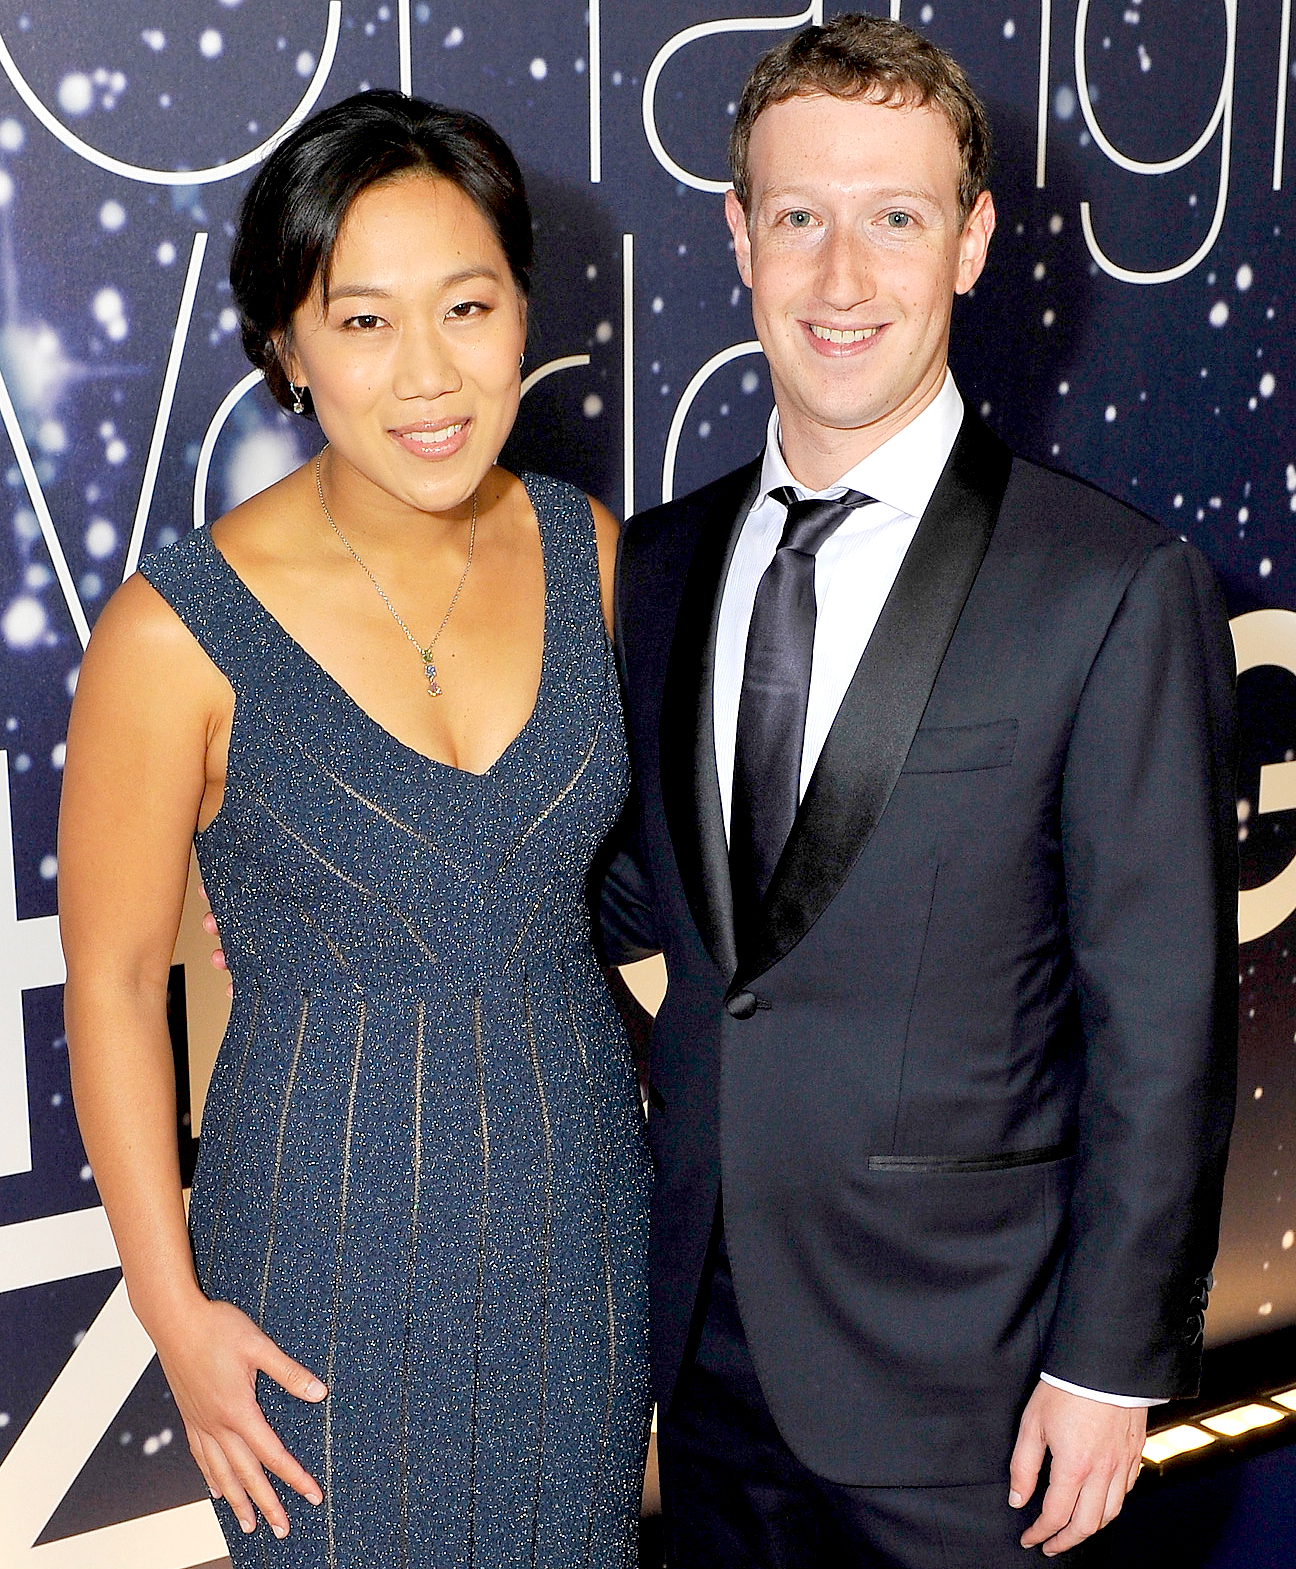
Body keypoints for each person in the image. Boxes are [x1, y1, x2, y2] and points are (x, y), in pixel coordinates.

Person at [602, 16, 1237, 1568]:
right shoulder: (663, 563)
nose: (841, 277)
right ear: (738, 234)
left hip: (975, 1379)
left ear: (971, 241)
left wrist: (1107, 1364)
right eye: (801, 217)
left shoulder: (1111, 582)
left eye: (895, 217)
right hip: (698, 1355)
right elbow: (631, 895)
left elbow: (1162, 1017)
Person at [59, 91, 651, 1569]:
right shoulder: (169, 634)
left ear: (523, 311)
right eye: (365, 320)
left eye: (468, 305)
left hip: (578, 1227)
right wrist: (172, 1314)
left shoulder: (590, 549)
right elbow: (116, 985)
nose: (430, 373)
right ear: (287, 349)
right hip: (318, 1263)